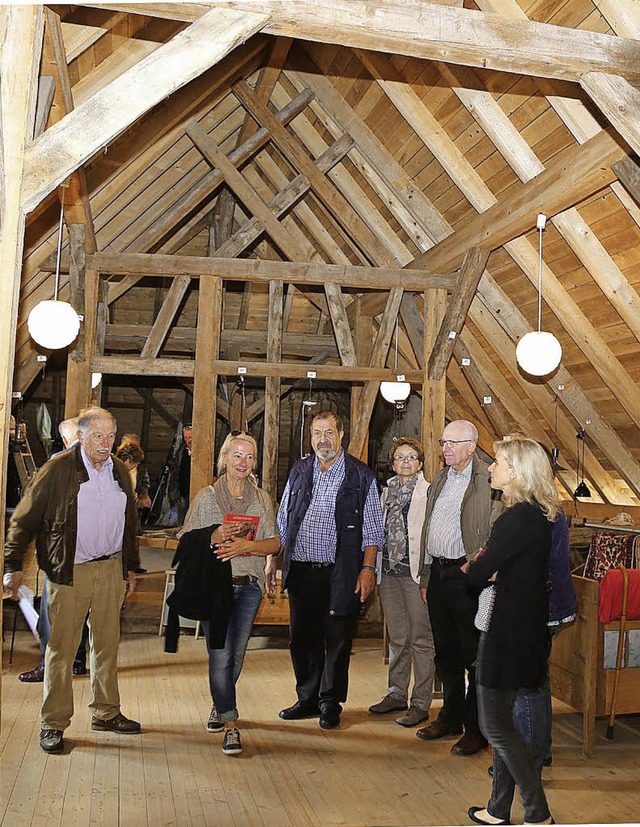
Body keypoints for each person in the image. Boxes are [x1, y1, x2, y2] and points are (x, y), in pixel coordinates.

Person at [3, 407, 141, 754]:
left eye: (110, 435)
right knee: (61, 650)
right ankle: (53, 722)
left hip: (110, 569)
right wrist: (12, 562)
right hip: (69, 571)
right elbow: (23, 517)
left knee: (107, 645)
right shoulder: (58, 469)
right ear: (80, 436)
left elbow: (130, 523)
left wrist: (132, 568)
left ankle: (106, 712)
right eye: (98, 435)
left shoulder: (120, 471)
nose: (106, 443)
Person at [466, 436, 558, 826]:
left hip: (507, 633)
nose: (491, 467)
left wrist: (475, 568)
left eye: (499, 461)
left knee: (497, 727)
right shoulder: (535, 515)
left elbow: (479, 573)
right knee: (504, 724)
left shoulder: (516, 518)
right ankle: (497, 809)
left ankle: (537, 813)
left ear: (518, 472)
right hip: (523, 630)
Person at [277, 409, 384, 730]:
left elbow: (373, 530)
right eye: (317, 434)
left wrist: (368, 569)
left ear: (341, 436)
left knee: (337, 638)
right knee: (301, 637)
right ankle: (307, 698)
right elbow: (284, 519)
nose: (322, 440)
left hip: (342, 572)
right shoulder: (299, 471)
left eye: (328, 433)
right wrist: (273, 558)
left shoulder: (360, 476)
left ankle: (330, 702)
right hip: (301, 569)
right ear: (311, 439)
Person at [178, 431, 280, 756]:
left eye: (249, 457)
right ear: (224, 458)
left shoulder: (261, 499)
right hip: (215, 586)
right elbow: (185, 539)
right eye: (237, 456)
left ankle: (220, 703)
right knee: (220, 654)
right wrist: (215, 533)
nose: (243, 463)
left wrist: (249, 545)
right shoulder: (207, 498)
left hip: (249, 588)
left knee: (236, 654)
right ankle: (231, 724)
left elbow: (276, 543)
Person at [417, 420, 502, 755]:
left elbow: (495, 530)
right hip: (438, 574)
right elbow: (428, 528)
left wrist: (479, 568)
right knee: (445, 653)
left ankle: (475, 728)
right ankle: (449, 716)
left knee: (471, 655)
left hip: (466, 575)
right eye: (443, 442)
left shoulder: (488, 480)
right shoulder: (441, 477)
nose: (446, 448)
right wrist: (425, 574)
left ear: (472, 445)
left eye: (453, 442)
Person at [369, 438, 435, 727]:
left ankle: (420, 703)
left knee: (421, 639)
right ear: (392, 463)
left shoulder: (428, 492)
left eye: (411, 457)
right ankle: (396, 693)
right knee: (397, 639)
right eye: (399, 457)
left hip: (415, 574)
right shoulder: (385, 493)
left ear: (420, 463)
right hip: (389, 574)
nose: (405, 462)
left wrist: (429, 576)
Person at [18, 417, 88, 683]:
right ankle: (77, 662)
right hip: (86, 551)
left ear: (64, 440)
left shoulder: (58, 462)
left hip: (62, 550)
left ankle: (49, 667)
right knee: (79, 609)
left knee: (51, 613)